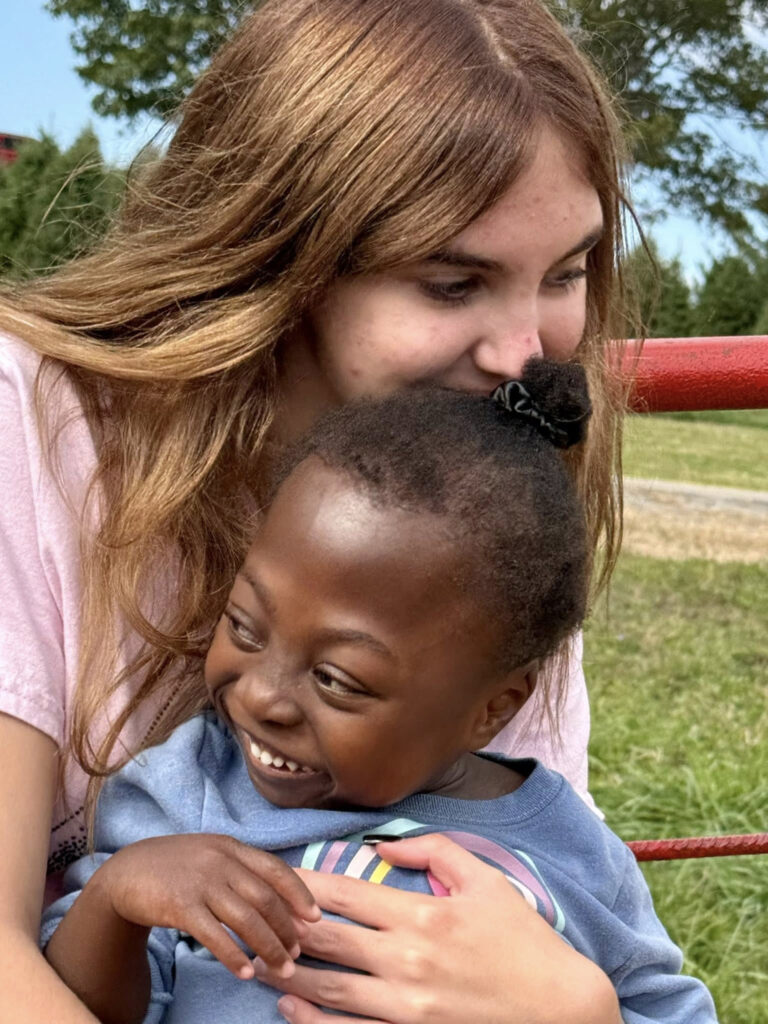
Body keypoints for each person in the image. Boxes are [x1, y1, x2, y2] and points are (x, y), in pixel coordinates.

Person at [0, 0, 632, 1021]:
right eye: (451, 280)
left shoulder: (482, 542)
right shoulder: (30, 428)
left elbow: (555, 910)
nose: (530, 352)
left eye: (566, 273)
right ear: (283, 255)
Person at [41, 368, 717, 1024]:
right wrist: (116, 899)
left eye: (338, 679)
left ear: (493, 710)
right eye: (244, 626)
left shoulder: (577, 856)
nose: (263, 695)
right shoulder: (192, 793)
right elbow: (80, 1005)